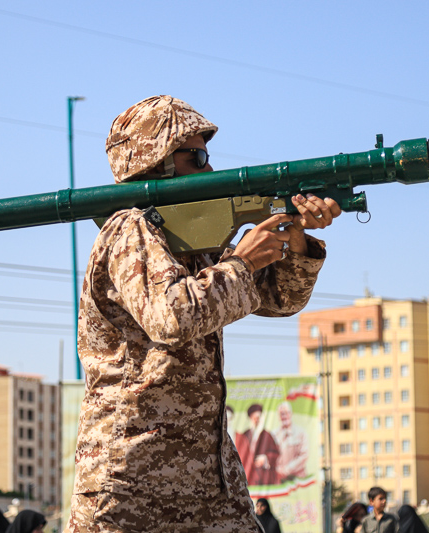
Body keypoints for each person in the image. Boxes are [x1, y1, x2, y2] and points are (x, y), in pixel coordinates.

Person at [66, 95, 340, 531]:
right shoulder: (129, 229)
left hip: (208, 478)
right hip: (132, 479)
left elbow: (279, 299)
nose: (210, 170)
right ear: (155, 163)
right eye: (196, 157)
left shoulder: (193, 245)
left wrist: (296, 241)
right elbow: (172, 317)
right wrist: (243, 262)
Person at [240, 403, 280, 485]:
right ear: (251, 419)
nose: (257, 420)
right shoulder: (245, 434)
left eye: (259, 417)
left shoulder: (267, 435)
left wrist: (265, 458)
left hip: (263, 474)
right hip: (247, 472)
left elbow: (275, 453)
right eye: (255, 418)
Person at [272, 401, 310, 482]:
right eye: (282, 414)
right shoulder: (274, 434)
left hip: (298, 479)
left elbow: (304, 455)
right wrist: (277, 469)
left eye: (287, 413)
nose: (284, 416)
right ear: (278, 416)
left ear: (291, 414)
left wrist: (287, 470)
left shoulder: (301, 433)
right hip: (279, 479)